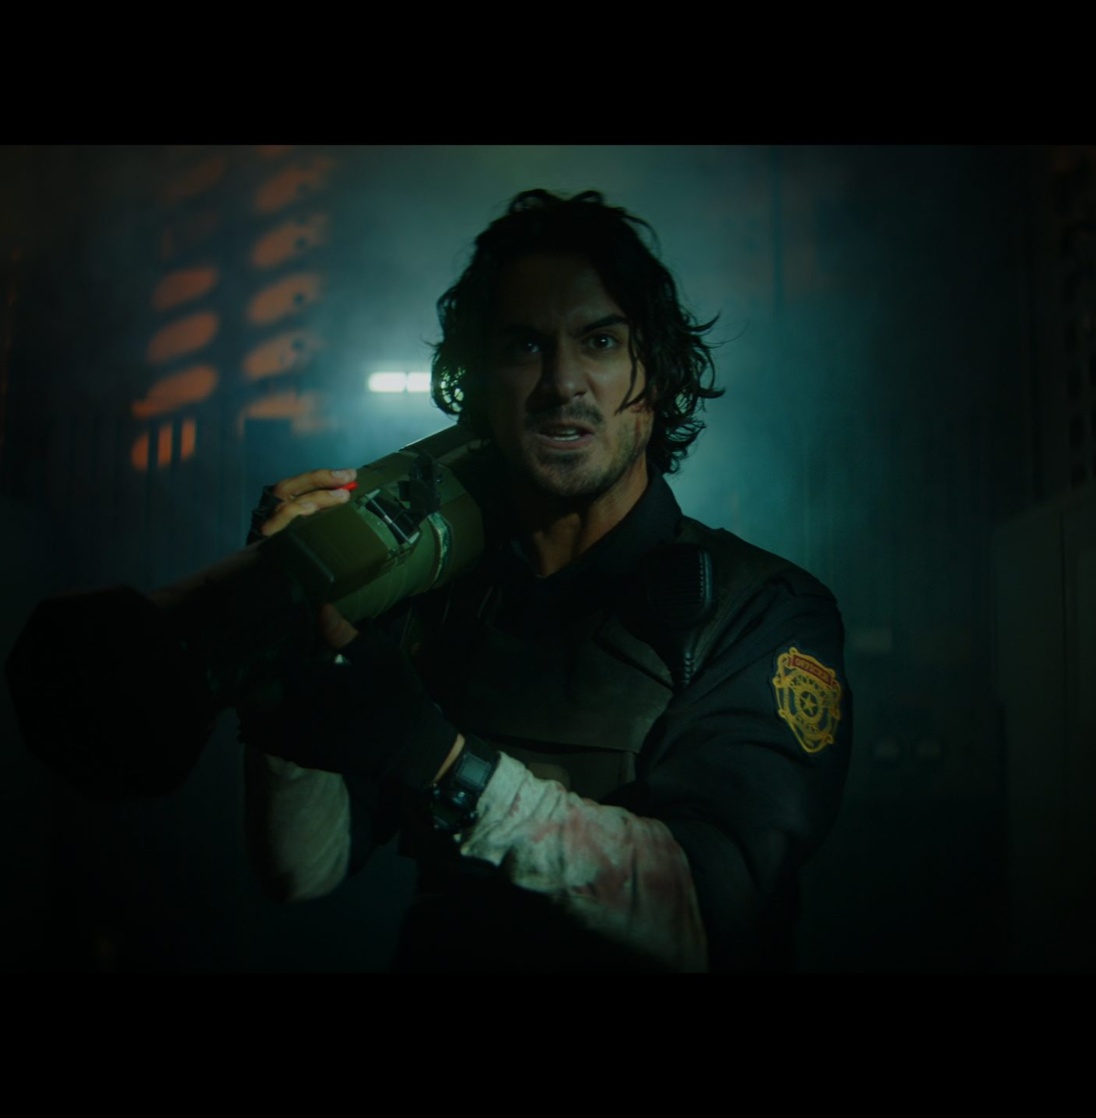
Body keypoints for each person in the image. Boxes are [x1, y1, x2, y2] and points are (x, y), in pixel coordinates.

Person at [238, 189, 852, 972]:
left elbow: (710, 904)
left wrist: (438, 758)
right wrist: (287, 644)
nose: (563, 383)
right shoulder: (436, 596)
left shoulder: (759, 611)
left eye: (600, 341)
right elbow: (301, 871)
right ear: (479, 384)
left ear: (658, 374)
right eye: (525, 345)